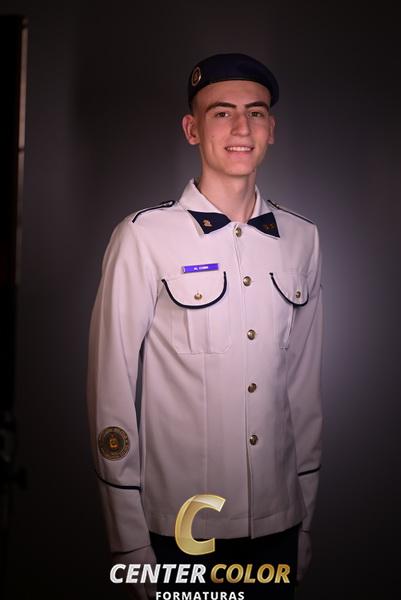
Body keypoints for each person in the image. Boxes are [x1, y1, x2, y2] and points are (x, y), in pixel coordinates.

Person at [87, 53, 323, 599]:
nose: (241, 127)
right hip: (179, 532)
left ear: (271, 129)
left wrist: (305, 518)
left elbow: (304, 391)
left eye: (255, 113)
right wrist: (127, 540)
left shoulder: (303, 239)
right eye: (222, 113)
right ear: (192, 129)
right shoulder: (143, 237)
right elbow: (110, 393)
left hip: (279, 526)